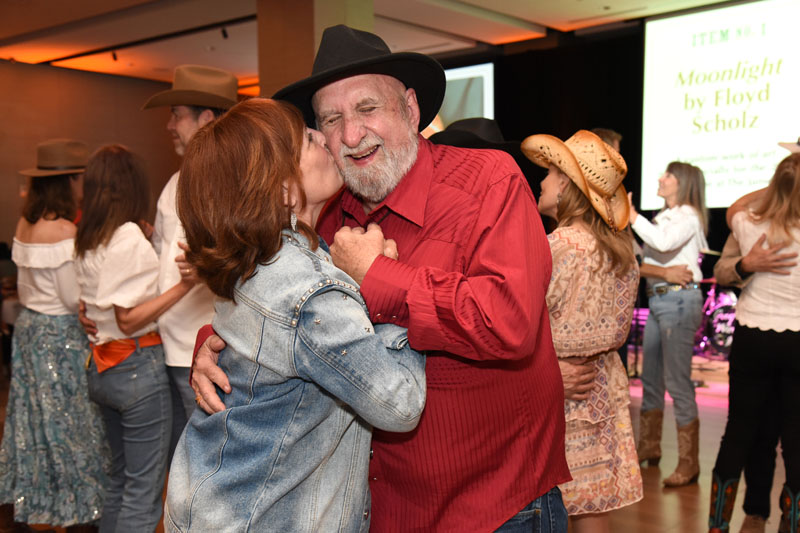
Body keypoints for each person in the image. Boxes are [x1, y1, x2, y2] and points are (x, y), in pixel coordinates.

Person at [191, 24, 570, 531]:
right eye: (331, 119)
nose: (351, 135)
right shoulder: (326, 212)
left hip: (495, 508)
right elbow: (287, 305)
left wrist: (379, 277)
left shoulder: (488, 181)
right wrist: (215, 346)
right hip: (376, 512)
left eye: (368, 109)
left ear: (410, 110)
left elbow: (510, 320)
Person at [163, 97, 426, 532]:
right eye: (308, 138)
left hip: (212, 503)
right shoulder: (309, 289)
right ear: (283, 189)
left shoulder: (257, 259)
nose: (327, 138)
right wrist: (386, 289)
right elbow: (400, 405)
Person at [522, 130, 643, 533]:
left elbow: (521, 325)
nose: (541, 181)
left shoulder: (556, 248)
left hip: (555, 392)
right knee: (592, 509)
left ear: (569, 188)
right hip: (602, 384)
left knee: (543, 506)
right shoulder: (623, 253)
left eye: (552, 174)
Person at [74, 145, 194, 533]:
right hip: (136, 369)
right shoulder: (126, 236)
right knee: (144, 495)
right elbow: (128, 320)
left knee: (121, 481)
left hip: (103, 368)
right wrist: (185, 287)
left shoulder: (91, 235)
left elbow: (100, 303)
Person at [0, 139, 108, 532]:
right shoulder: (62, 230)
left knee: (33, 420)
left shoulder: (24, 223)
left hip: (28, 331)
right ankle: (77, 507)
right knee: (71, 424)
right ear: (70, 182)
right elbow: (69, 299)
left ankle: (35, 499)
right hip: (58, 335)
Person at [142, 65, 238, 459]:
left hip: (203, 352)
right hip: (163, 346)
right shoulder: (175, 182)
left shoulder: (233, 184)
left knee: (210, 463)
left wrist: (209, 267)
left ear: (207, 119)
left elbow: (250, 260)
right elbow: (158, 256)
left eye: (177, 114)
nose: (169, 125)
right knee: (177, 465)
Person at [708, 153, 800, 533]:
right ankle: (786, 523)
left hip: (753, 338)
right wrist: (747, 264)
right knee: (796, 437)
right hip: (796, 342)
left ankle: (719, 525)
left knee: (740, 431)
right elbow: (723, 271)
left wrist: (785, 178)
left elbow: (736, 207)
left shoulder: (745, 223)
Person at [628, 161, 709, 487]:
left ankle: (689, 464)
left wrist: (633, 216)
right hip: (660, 299)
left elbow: (661, 243)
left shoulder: (688, 216)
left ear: (683, 182)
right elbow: (647, 255)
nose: (660, 179)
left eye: (668, 175)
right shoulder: (663, 218)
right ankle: (648, 449)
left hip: (679, 300)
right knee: (651, 380)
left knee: (677, 382)